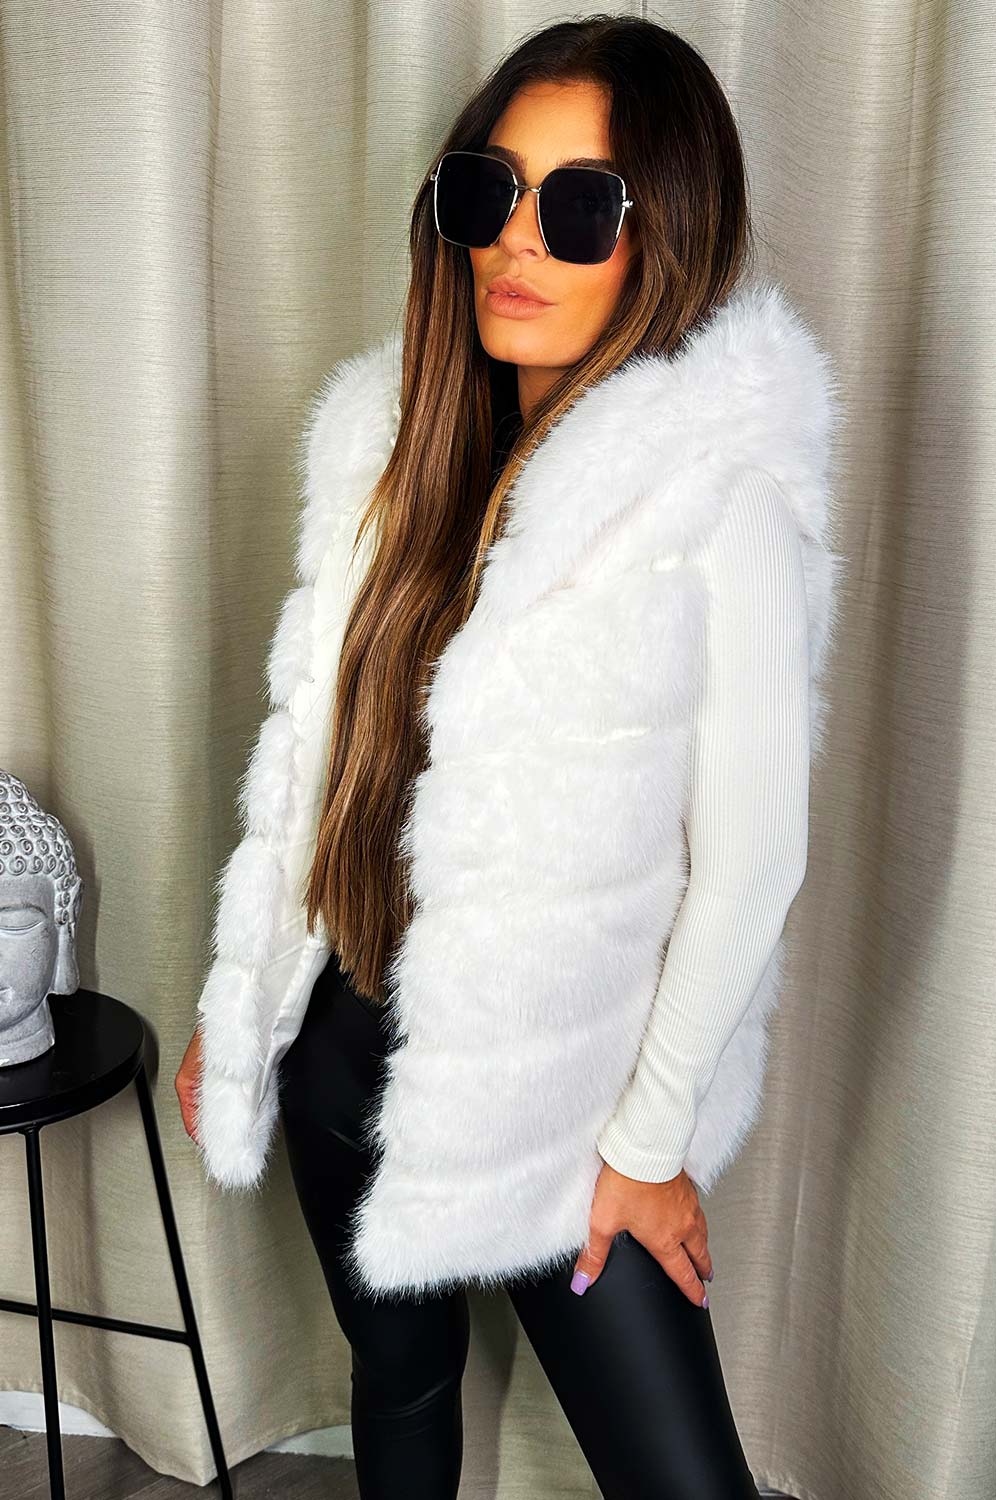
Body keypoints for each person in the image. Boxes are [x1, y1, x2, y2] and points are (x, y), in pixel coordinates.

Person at [176, 15, 843, 1499]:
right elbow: (317, 759)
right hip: (348, 1041)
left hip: (564, 1101)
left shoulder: (714, 506)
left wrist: (648, 1147)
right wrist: (249, 997)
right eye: (490, 191)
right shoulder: (390, 449)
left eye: (580, 204)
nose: (517, 240)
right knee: (400, 1388)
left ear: (667, 232)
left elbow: (753, 865)